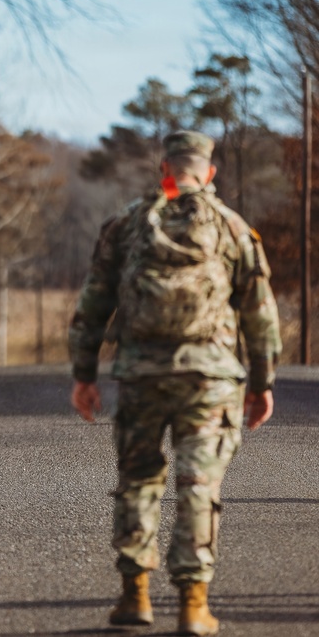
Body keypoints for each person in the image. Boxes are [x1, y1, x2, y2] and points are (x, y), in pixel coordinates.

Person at [68, 131, 281, 637]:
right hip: (210, 378)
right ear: (208, 172)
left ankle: (134, 596)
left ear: (164, 168)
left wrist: (84, 375)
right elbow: (260, 312)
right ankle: (192, 604)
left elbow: (93, 303)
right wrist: (262, 382)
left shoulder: (125, 223)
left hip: (141, 374)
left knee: (139, 478)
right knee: (198, 483)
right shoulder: (231, 227)